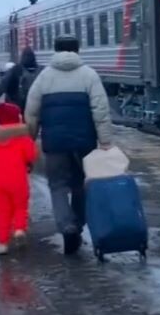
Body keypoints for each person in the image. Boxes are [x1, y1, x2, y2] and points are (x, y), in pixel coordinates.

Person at [24, 35, 112, 255]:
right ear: (77, 50)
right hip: (84, 142)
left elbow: (31, 113)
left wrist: (30, 139)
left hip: (55, 144)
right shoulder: (89, 75)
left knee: (58, 186)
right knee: (82, 184)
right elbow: (101, 111)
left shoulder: (44, 77)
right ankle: (78, 223)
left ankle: (67, 227)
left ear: (55, 50)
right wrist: (105, 142)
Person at [0, 102, 37, 254]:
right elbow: (31, 155)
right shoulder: (23, 138)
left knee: (2, 211)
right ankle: (19, 229)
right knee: (20, 207)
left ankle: (2, 243)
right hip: (18, 179)